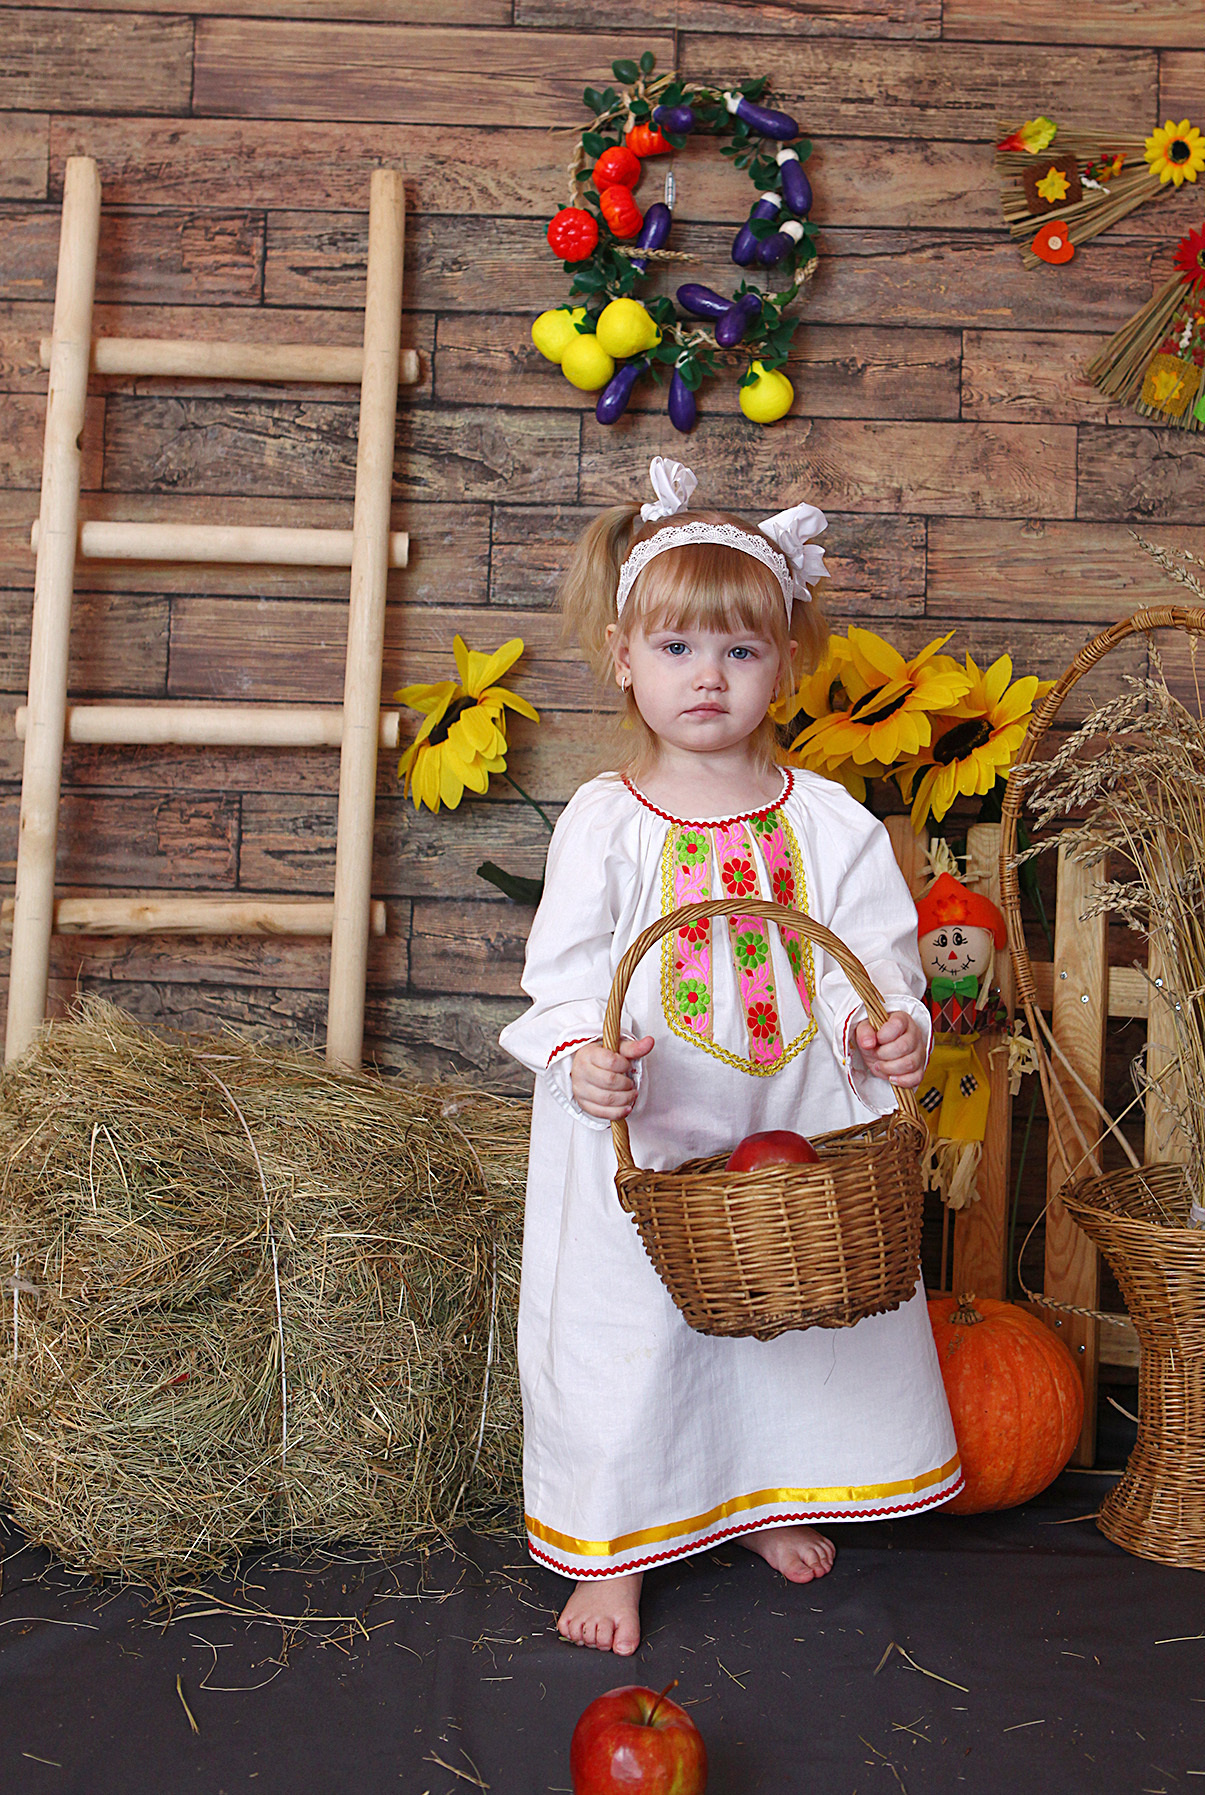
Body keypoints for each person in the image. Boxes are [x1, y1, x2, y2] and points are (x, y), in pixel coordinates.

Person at [498, 458, 960, 1657]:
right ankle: (619, 1544)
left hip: (791, 1123)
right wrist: (577, 1057)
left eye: (739, 651)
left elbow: (877, 962)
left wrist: (887, 1031)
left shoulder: (828, 823)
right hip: (647, 1124)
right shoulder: (607, 819)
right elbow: (559, 981)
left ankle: (760, 1497)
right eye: (675, 649)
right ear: (621, 659)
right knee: (631, 1328)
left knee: (787, 1320)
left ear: (784, 665)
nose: (706, 676)